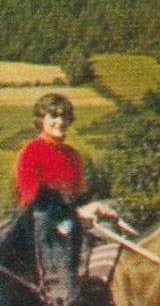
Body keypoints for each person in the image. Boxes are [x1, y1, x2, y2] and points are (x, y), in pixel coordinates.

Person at [13, 92, 118, 221]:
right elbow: (33, 203)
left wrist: (95, 206)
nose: (60, 122)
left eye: (65, 116)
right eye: (54, 116)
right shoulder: (30, 153)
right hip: (42, 225)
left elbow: (78, 198)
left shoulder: (72, 155)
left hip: (71, 222)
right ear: (41, 119)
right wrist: (76, 213)